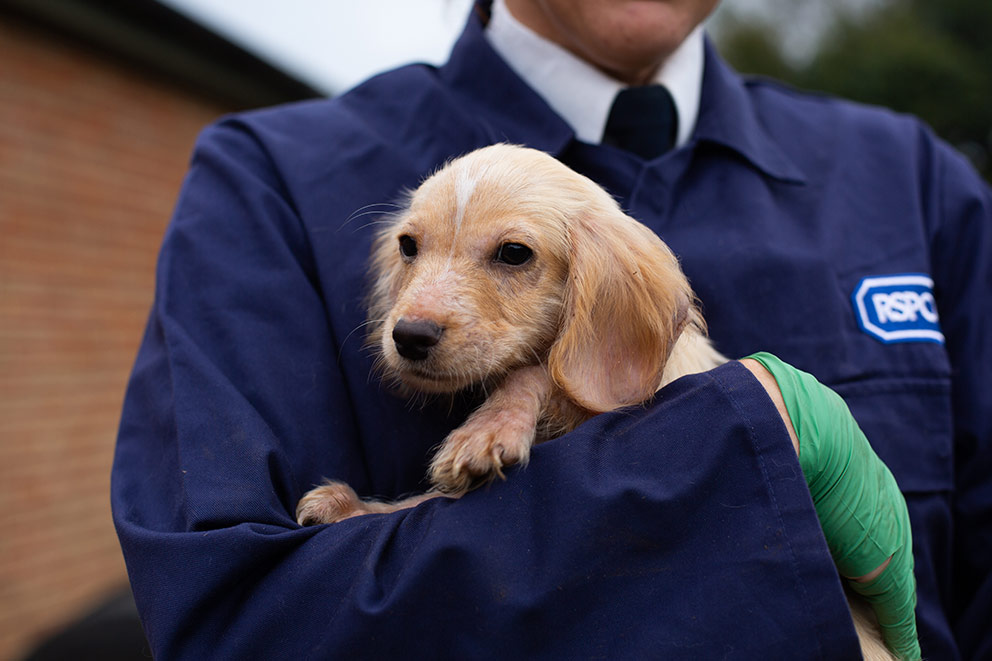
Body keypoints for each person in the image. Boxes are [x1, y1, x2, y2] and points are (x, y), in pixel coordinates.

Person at [110, 0, 990, 658]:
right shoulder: (267, 185)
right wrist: (744, 439)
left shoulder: (916, 182)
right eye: (410, 250)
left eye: (511, 254)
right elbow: (232, 627)